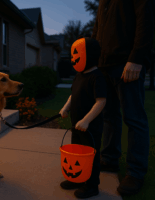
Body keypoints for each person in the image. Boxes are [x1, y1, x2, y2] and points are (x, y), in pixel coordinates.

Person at [91, 0, 154, 195]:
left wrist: (136, 58)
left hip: (127, 63)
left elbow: (147, 21)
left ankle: (135, 173)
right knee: (109, 116)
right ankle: (109, 158)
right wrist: (94, 61)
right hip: (104, 65)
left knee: (134, 119)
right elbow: (98, 30)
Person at [59, 36, 107, 199]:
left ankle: (92, 185)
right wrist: (66, 108)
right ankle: (77, 179)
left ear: (91, 54)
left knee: (91, 157)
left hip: (91, 129)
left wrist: (87, 120)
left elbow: (101, 102)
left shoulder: (97, 77)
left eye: (76, 54)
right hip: (76, 126)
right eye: (72, 56)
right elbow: (73, 95)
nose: (73, 59)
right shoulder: (79, 75)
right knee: (77, 155)